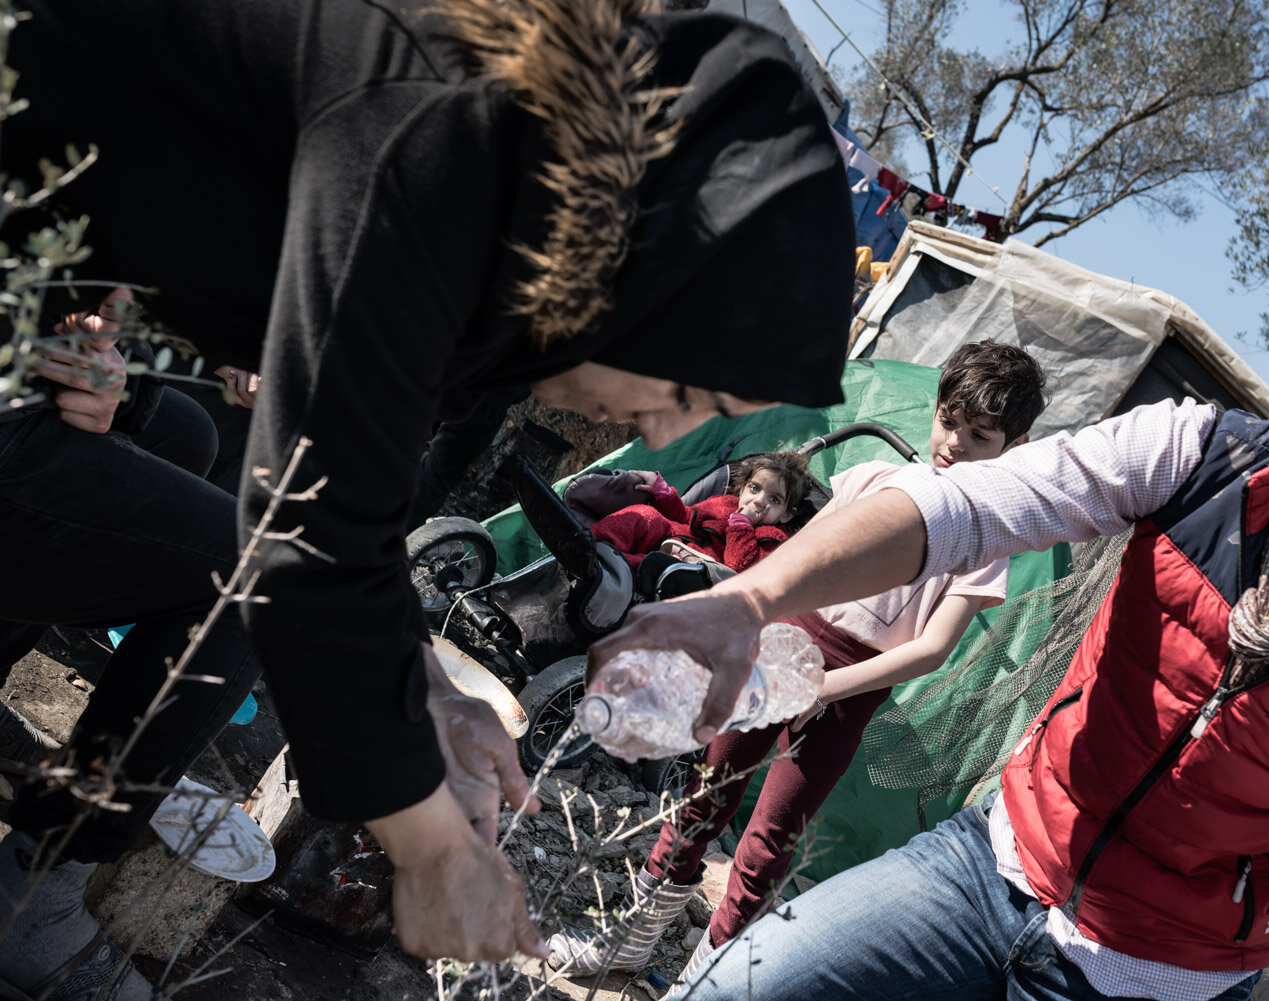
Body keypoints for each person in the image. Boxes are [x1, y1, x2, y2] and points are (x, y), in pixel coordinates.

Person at [0, 0, 854, 994]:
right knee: (236, 582)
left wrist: (430, 684)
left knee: (176, 435)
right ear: (655, 282)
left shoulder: (512, 252)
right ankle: (38, 879)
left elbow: (359, 506)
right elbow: (305, 532)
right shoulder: (442, 131)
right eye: (690, 391)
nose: (663, 431)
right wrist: (435, 845)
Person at [589, 247, 1269, 1001]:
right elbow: (967, 510)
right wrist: (748, 601)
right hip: (992, 866)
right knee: (729, 989)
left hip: (1160, 978)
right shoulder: (1204, 456)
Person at [552, 342, 1046, 982]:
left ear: (1016, 444)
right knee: (706, 796)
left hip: (844, 694)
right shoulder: (877, 481)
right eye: (949, 420)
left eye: (978, 435)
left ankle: (699, 985)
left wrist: (825, 685)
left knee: (766, 847)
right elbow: (803, 562)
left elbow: (930, 649)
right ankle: (628, 943)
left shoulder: (988, 538)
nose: (953, 441)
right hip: (781, 653)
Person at [589, 451, 813, 576]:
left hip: (696, 567)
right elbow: (686, 515)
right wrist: (664, 493)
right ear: (743, 488)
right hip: (674, 535)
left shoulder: (772, 540)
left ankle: (613, 566)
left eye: (774, 499)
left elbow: (737, 567)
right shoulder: (724, 503)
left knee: (655, 564)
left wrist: (741, 524)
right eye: (755, 488)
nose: (758, 501)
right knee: (644, 515)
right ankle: (589, 543)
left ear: (786, 515)